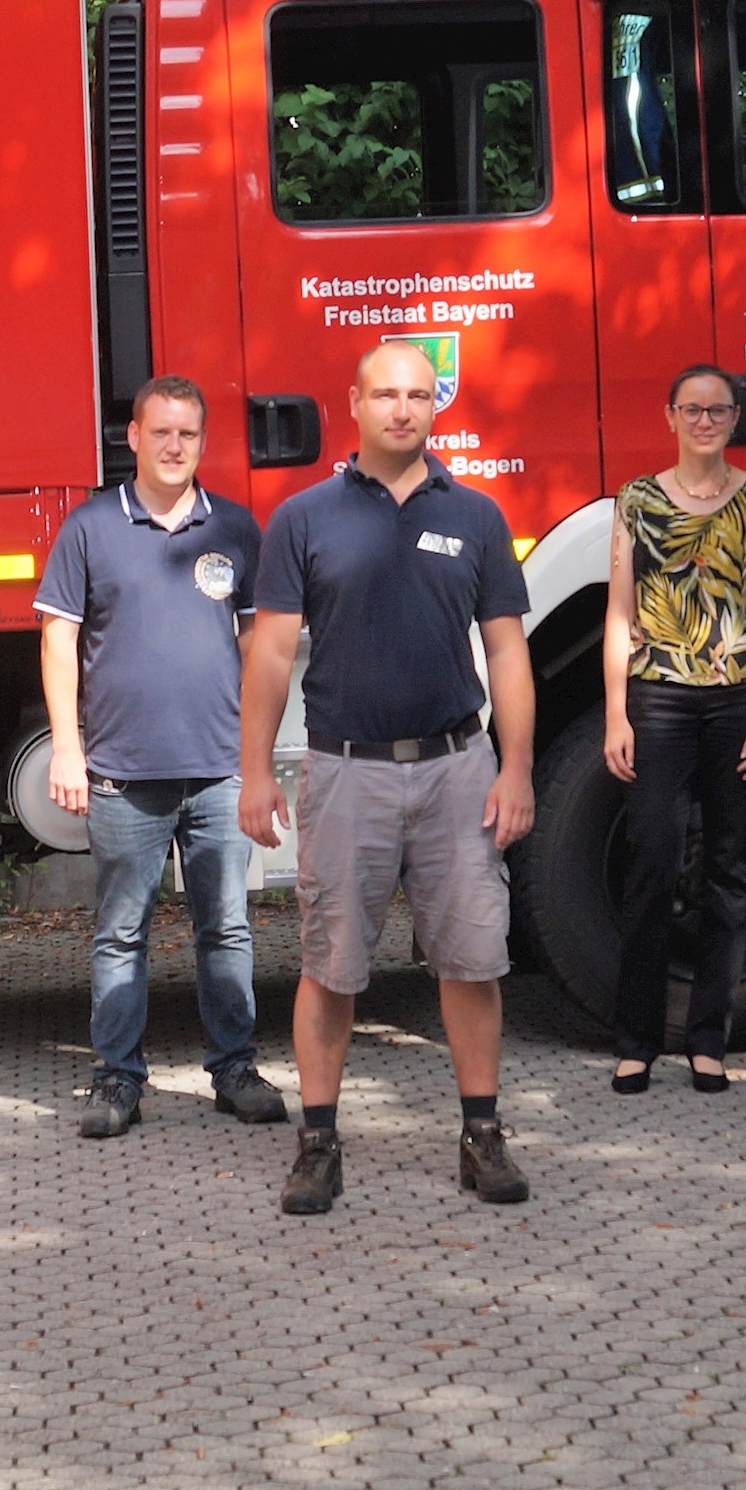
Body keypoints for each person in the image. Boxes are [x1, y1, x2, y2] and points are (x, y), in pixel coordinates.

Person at [238, 340, 539, 1217]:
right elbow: (270, 655)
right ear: (354, 404)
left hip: (457, 769)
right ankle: (318, 1145)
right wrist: (255, 772)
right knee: (331, 967)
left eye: (417, 394)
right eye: (384, 394)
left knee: (473, 960)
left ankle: (482, 1137)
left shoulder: (479, 516)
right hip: (345, 772)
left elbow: (509, 652)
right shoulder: (304, 518)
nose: (401, 409)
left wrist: (515, 766)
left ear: (435, 404)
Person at [36, 375, 285, 1140]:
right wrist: (68, 751)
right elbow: (58, 639)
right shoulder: (90, 528)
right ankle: (117, 1079)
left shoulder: (236, 529)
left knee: (228, 928)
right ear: (134, 438)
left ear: (202, 443)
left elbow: (259, 648)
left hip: (216, 769)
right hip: (121, 772)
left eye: (189, 434)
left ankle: (234, 1066)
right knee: (120, 931)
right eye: (162, 432)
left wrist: (258, 758)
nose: (175, 446)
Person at [599, 364, 746, 1094]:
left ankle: (709, 1039)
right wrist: (616, 711)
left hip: (741, 697)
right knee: (651, 859)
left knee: (732, 870)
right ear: (670, 416)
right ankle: (636, 1040)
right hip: (658, 698)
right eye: (692, 408)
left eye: (717, 410)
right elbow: (619, 611)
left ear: (735, 418)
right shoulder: (637, 501)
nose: (705, 421)